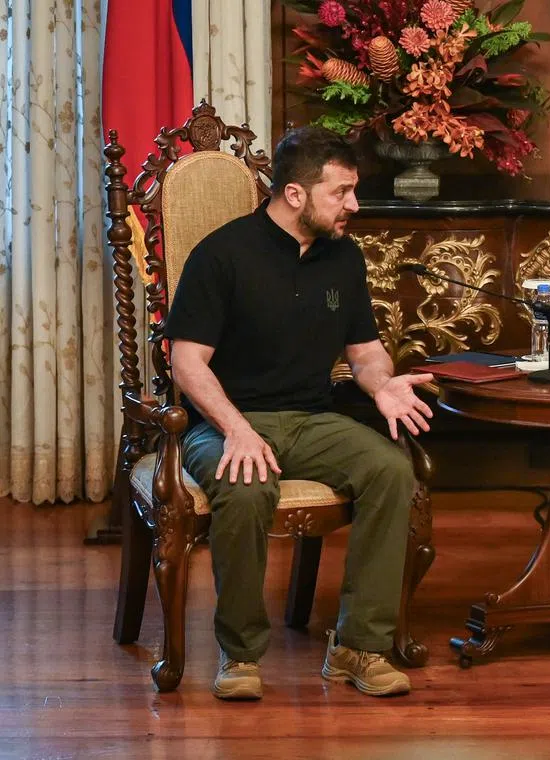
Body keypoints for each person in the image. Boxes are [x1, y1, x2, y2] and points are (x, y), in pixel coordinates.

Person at [164, 126, 435, 700]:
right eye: (341, 192)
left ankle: (358, 646)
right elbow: (186, 363)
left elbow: (365, 352)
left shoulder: (343, 257)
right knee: (247, 486)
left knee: (391, 470)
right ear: (294, 194)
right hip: (223, 423)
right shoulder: (222, 255)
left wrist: (382, 386)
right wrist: (237, 429)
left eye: (353, 191)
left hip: (312, 420)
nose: (353, 205)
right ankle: (240, 654)